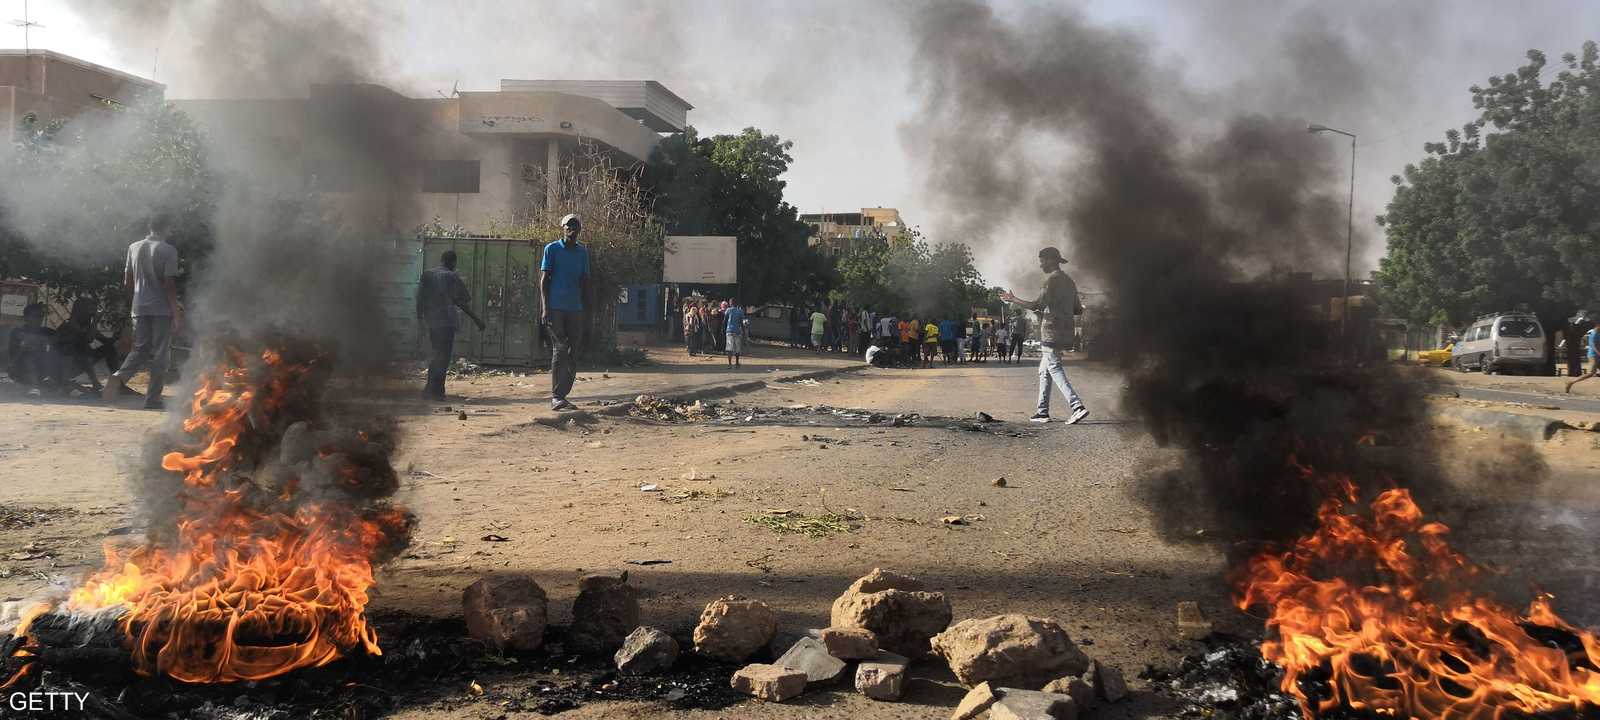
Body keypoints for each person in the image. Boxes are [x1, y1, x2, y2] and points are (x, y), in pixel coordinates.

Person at [1002, 247, 1090, 424]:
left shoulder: (1051, 281)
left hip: (1051, 330)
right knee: (1044, 370)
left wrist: (1013, 299)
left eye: (1042, 260)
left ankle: (1077, 406)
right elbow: (1078, 309)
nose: (1040, 264)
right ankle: (1042, 412)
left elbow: (1037, 305)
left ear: (1051, 260)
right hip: (1066, 331)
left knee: (1054, 367)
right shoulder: (1070, 282)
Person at [103, 214, 182, 409]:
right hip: (161, 309)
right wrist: (176, 312)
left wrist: (133, 303)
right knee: (161, 354)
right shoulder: (168, 250)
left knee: (140, 349)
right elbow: (169, 284)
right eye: (170, 228)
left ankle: (119, 376)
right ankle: (152, 399)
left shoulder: (134, 247)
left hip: (139, 306)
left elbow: (127, 281)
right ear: (166, 227)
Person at [416, 249, 486, 401]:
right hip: (446, 322)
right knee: (443, 357)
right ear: (453, 262)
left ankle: (429, 390)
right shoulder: (451, 276)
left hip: (432, 322)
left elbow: (419, 298)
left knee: (435, 354)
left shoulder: (427, 275)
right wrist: (477, 320)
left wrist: (420, 319)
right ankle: (437, 392)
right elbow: (461, 302)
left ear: (441, 260)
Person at [541, 213, 590, 411]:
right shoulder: (551, 249)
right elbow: (544, 281)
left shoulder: (582, 253)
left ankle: (563, 395)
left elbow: (585, 281)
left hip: (575, 308)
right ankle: (556, 396)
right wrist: (545, 308)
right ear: (562, 228)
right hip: (555, 308)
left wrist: (588, 309)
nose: (571, 229)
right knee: (560, 349)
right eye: (568, 225)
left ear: (579, 229)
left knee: (572, 351)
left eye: (575, 226)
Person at [56, 297, 121, 393]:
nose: (92, 314)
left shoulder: (86, 326)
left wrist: (116, 337)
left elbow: (106, 342)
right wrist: (95, 321)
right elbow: (88, 339)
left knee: (109, 349)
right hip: (64, 368)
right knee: (83, 347)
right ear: (80, 310)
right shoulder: (69, 324)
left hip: (80, 362)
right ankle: (96, 383)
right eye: (90, 310)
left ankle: (119, 383)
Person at [7, 303, 60, 395]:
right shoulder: (18, 332)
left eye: (40, 316)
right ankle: (34, 386)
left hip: (41, 368)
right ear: (26, 317)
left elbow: (61, 338)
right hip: (20, 369)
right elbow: (14, 356)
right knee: (29, 356)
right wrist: (25, 345)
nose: (38, 319)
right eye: (34, 316)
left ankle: (56, 382)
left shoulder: (46, 331)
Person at [1565, 318, 1599, 394]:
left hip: (1598, 355)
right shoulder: (1594, 333)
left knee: (1593, 372)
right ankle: (1571, 382)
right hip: (1593, 355)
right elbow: (1593, 345)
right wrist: (1599, 353)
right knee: (1592, 372)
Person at [725, 300, 748, 368]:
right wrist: (743, 331)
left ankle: (729, 364)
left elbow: (725, 320)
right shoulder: (740, 311)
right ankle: (737, 363)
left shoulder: (728, 310)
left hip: (729, 331)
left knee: (729, 348)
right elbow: (742, 322)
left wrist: (723, 329)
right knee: (737, 348)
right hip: (737, 331)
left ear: (730, 303)